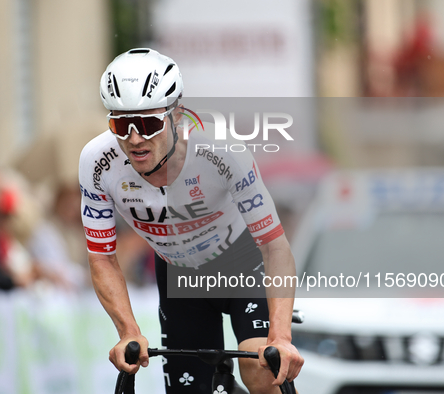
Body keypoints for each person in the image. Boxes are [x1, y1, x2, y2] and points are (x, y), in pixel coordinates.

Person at [79, 48, 303, 393]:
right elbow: (102, 256)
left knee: (262, 371)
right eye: (121, 125)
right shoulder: (98, 162)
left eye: (149, 123)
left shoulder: (222, 151)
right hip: (177, 274)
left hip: (240, 262)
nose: (135, 138)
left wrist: (282, 337)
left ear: (176, 114)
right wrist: (128, 332)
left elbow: (274, 245)